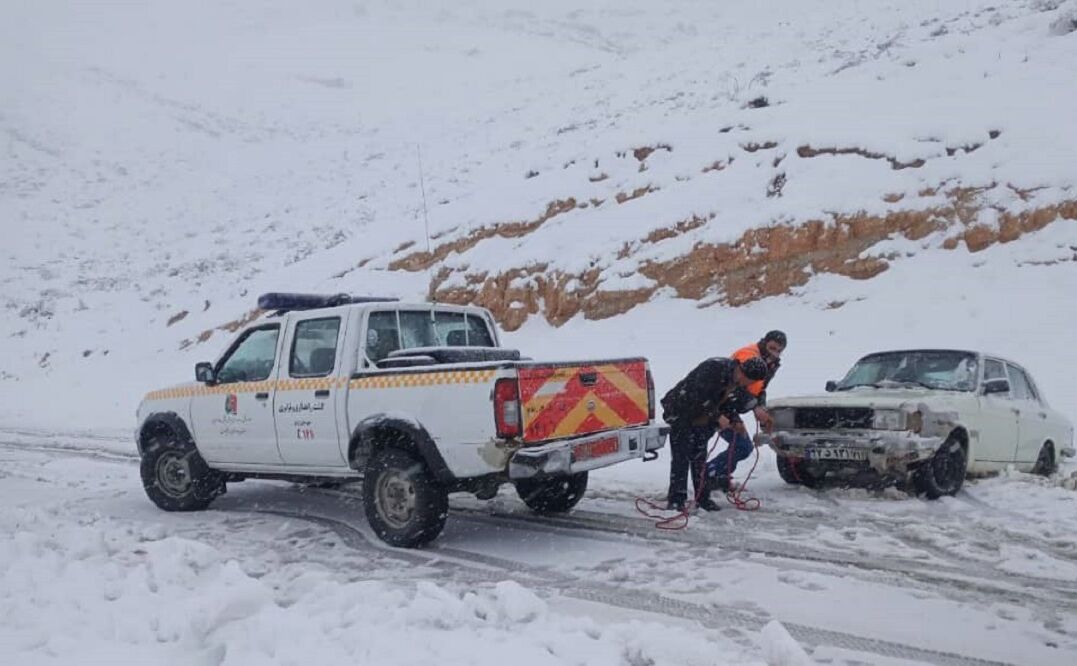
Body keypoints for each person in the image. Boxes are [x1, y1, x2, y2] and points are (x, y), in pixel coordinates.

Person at [660, 356, 769, 512]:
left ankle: (702, 498)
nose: (747, 385)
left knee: (699, 458)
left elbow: (731, 401)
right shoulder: (713, 369)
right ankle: (677, 500)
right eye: (749, 382)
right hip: (681, 412)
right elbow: (697, 397)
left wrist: (737, 418)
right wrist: (716, 416)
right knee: (681, 458)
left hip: (701, 419)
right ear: (743, 372)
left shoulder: (735, 380)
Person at [704, 331, 788, 494]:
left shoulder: (770, 363)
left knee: (742, 446)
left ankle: (717, 475)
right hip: (720, 404)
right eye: (772, 348)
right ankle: (708, 474)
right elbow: (736, 387)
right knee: (742, 446)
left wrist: (761, 408)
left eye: (779, 351)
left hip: (734, 405)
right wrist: (754, 408)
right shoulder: (748, 356)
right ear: (764, 342)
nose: (775, 353)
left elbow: (760, 389)